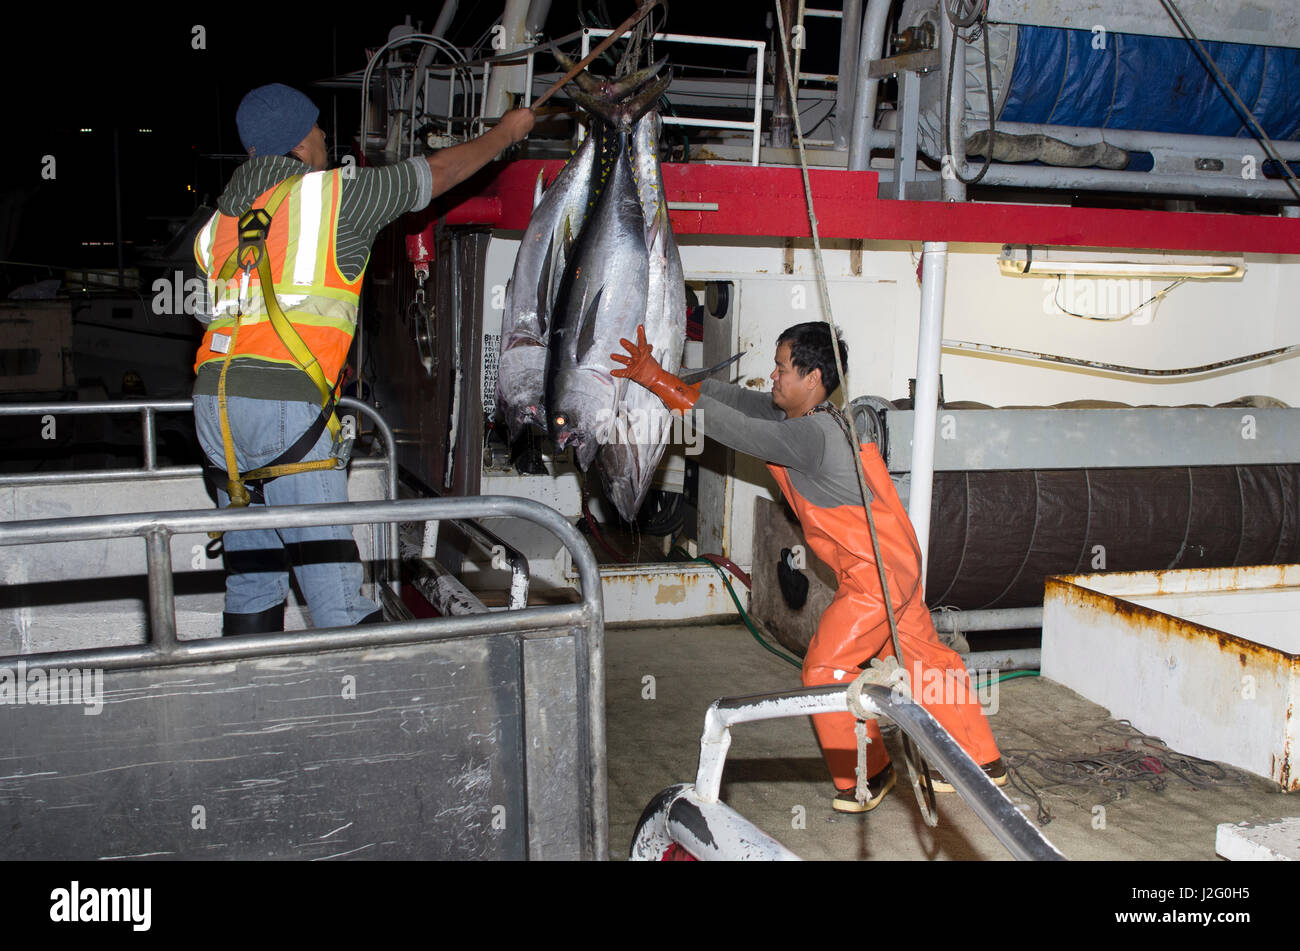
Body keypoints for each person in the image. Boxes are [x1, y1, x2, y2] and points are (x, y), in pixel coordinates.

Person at [612, 320, 1005, 813]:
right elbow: (729, 403)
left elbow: (725, 426)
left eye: (780, 369)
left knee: (826, 665)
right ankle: (981, 760)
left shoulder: (810, 438)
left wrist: (654, 380)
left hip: (873, 576)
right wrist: (664, 373)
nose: (771, 378)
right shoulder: (811, 418)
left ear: (813, 377)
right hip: (896, 563)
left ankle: (870, 772)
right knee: (926, 656)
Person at [192, 83, 534, 635]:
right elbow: (437, 174)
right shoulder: (334, 199)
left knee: (253, 576)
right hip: (286, 413)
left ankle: (253, 704)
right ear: (300, 144)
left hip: (216, 413)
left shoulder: (217, 226)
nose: (328, 136)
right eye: (319, 127)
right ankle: (357, 706)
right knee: (336, 594)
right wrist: (505, 134)